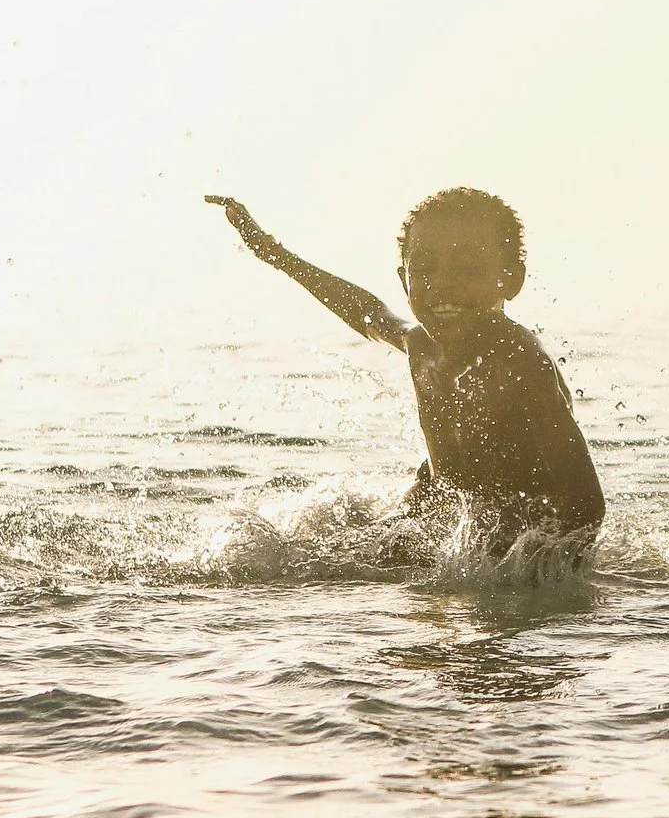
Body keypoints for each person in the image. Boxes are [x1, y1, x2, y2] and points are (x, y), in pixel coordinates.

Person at [206, 188, 605, 552]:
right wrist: (276, 255)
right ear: (404, 280)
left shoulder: (521, 363)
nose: (443, 285)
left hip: (515, 530)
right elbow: (366, 312)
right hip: (441, 512)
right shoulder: (421, 345)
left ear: (511, 280)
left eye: (466, 268)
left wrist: (535, 569)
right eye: (425, 269)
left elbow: (586, 505)